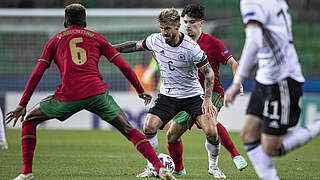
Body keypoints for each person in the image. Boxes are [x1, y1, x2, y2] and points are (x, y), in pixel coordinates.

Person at [5, 4, 176, 180]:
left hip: (68, 96)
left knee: (30, 120)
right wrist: (140, 90)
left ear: (65, 22)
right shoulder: (97, 39)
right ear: (85, 21)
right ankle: (159, 167)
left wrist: (22, 104)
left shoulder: (54, 41)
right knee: (128, 128)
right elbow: (123, 66)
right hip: (97, 94)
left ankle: (26, 173)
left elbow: (37, 73)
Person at [114, 8, 220, 178]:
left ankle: (213, 167)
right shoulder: (155, 40)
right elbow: (135, 45)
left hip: (193, 96)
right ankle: (151, 166)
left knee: (211, 131)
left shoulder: (191, 47)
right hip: (168, 95)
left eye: (168, 28)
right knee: (148, 125)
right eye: (162, 28)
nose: (164, 32)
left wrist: (207, 100)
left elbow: (209, 73)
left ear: (178, 26)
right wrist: (109, 49)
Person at [224, 0, 320, 179]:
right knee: (248, 135)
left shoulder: (251, 3)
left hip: (281, 78)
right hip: (265, 77)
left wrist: (237, 82)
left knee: (271, 147)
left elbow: (254, 42)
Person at [163, 4, 248, 178]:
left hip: (213, 93)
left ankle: (227, 159)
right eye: (185, 22)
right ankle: (179, 170)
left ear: (201, 23)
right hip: (190, 96)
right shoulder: (180, 43)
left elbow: (232, 62)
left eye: (192, 22)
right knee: (172, 134)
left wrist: (237, 81)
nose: (188, 26)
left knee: (210, 123)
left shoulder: (213, 43)